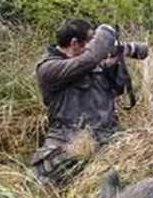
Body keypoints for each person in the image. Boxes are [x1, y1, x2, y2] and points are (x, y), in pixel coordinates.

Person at [30, 19, 132, 186]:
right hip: (66, 140)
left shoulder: (95, 63)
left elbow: (119, 89)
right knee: (46, 183)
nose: (94, 46)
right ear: (74, 43)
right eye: (90, 41)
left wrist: (112, 66)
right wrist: (105, 33)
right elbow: (87, 60)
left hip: (107, 138)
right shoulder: (48, 68)